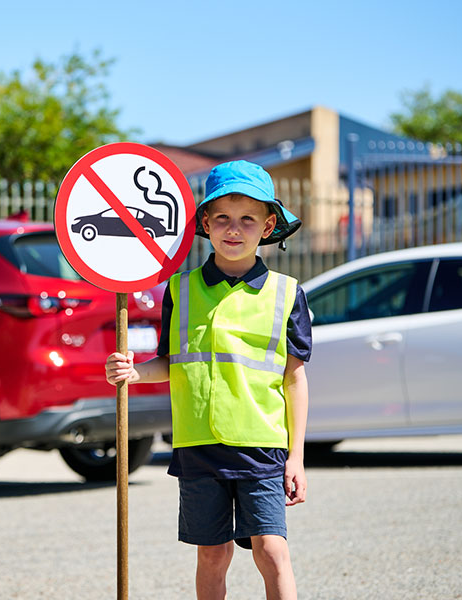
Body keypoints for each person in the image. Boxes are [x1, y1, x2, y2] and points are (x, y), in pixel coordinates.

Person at [105, 160, 311, 600]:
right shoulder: (179, 291)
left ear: (268, 225)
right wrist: (135, 371)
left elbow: (295, 380)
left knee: (272, 551)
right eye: (222, 219)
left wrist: (296, 457)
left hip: (262, 446)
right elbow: (170, 361)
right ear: (205, 223)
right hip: (198, 448)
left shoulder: (287, 292)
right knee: (212, 555)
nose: (233, 230)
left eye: (247, 220)